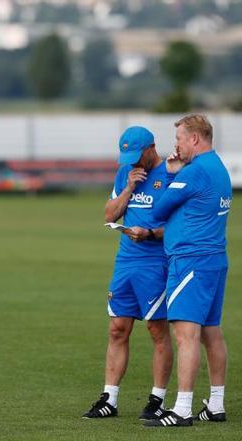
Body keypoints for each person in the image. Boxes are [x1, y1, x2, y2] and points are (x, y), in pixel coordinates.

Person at [144, 114, 232, 428]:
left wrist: (169, 173)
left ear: (195, 138)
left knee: (186, 335)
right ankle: (216, 405)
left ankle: (182, 409)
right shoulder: (218, 167)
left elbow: (158, 209)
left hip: (191, 261)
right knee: (211, 332)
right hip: (214, 260)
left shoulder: (193, 173)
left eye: (180, 138)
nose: (176, 145)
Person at [82, 126, 174, 421]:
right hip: (125, 263)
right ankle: (109, 399)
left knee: (156, 330)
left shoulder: (172, 175)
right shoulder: (126, 174)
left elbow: (178, 228)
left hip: (156, 263)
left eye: (137, 157)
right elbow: (110, 215)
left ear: (151, 148)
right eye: (129, 158)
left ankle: (157, 399)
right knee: (117, 329)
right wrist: (129, 188)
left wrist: (148, 233)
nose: (133, 163)